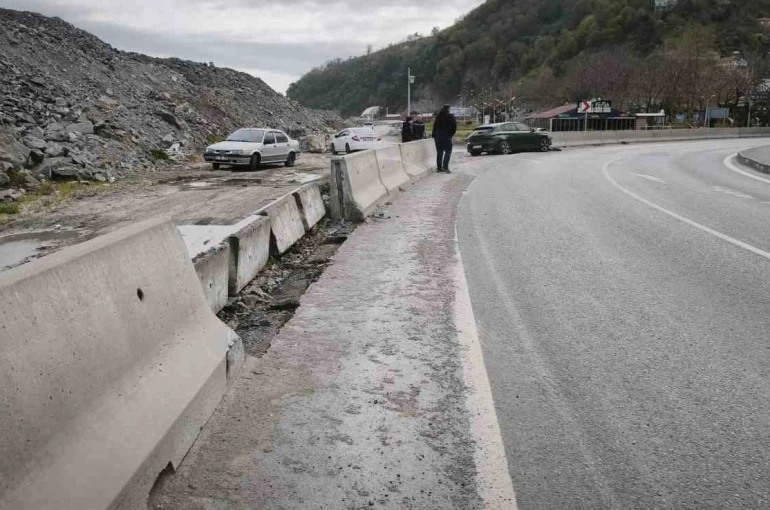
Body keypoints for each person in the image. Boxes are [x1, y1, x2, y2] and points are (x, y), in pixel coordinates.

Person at [432, 104, 457, 173]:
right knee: (448, 152)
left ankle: (439, 168)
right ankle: (445, 167)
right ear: (448, 109)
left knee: (439, 152)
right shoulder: (450, 116)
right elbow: (454, 126)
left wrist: (434, 136)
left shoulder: (438, 117)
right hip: (446, 136)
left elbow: (434, 127)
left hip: (438, 137)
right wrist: (450, 135)